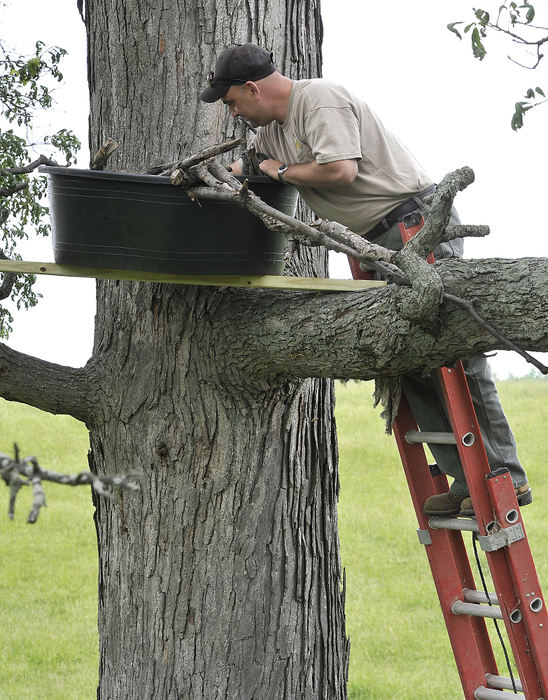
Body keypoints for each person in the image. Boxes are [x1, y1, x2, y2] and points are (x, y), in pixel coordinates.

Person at [199, 43, 531, 517]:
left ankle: (506, 479)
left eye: (231, 101)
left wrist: (278, 170)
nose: (232, 112)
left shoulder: (319, 100)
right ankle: (465, 481)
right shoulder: (270, 131)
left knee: (457, 348)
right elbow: (246, 167)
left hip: (414, 226)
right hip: (375, 245)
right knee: (405, 355)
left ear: (252, 88)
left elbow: (339, 169)